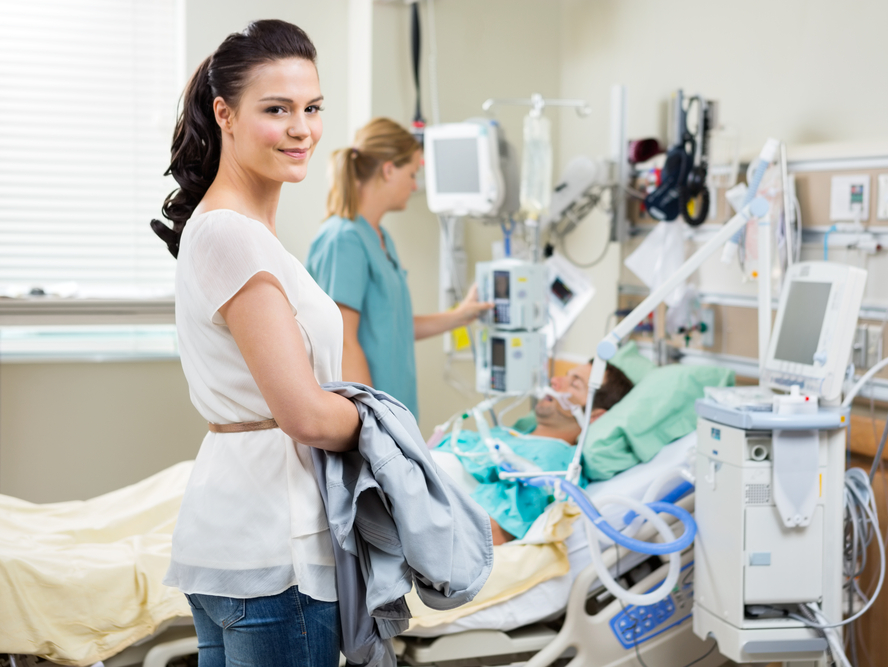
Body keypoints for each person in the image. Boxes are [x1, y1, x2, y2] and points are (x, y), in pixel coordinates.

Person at [150, 20, 357, 667]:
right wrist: (385, 425)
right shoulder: (231, 236)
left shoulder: (232, 230)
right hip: (275, 549)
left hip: (236, 538)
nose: (302, 129)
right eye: (277, 110)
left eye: (312, 108)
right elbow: (301, 412)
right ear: (225, 114)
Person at [306, 118, 492, 420]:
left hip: (395, 410)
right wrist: (371, 425)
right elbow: (344, 341)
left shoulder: (381, 238)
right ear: (389, 170)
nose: (414, 185)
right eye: (412, 173)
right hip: (369, 418)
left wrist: (461, 316)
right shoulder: (344, 240)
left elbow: (392, 325)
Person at [436, 362, 635, 545]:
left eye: (575, 384)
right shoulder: (508, 434)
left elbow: (484, 534)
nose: (555, 381)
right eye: (566, 375)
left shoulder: (552, 462)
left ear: (595, 415)